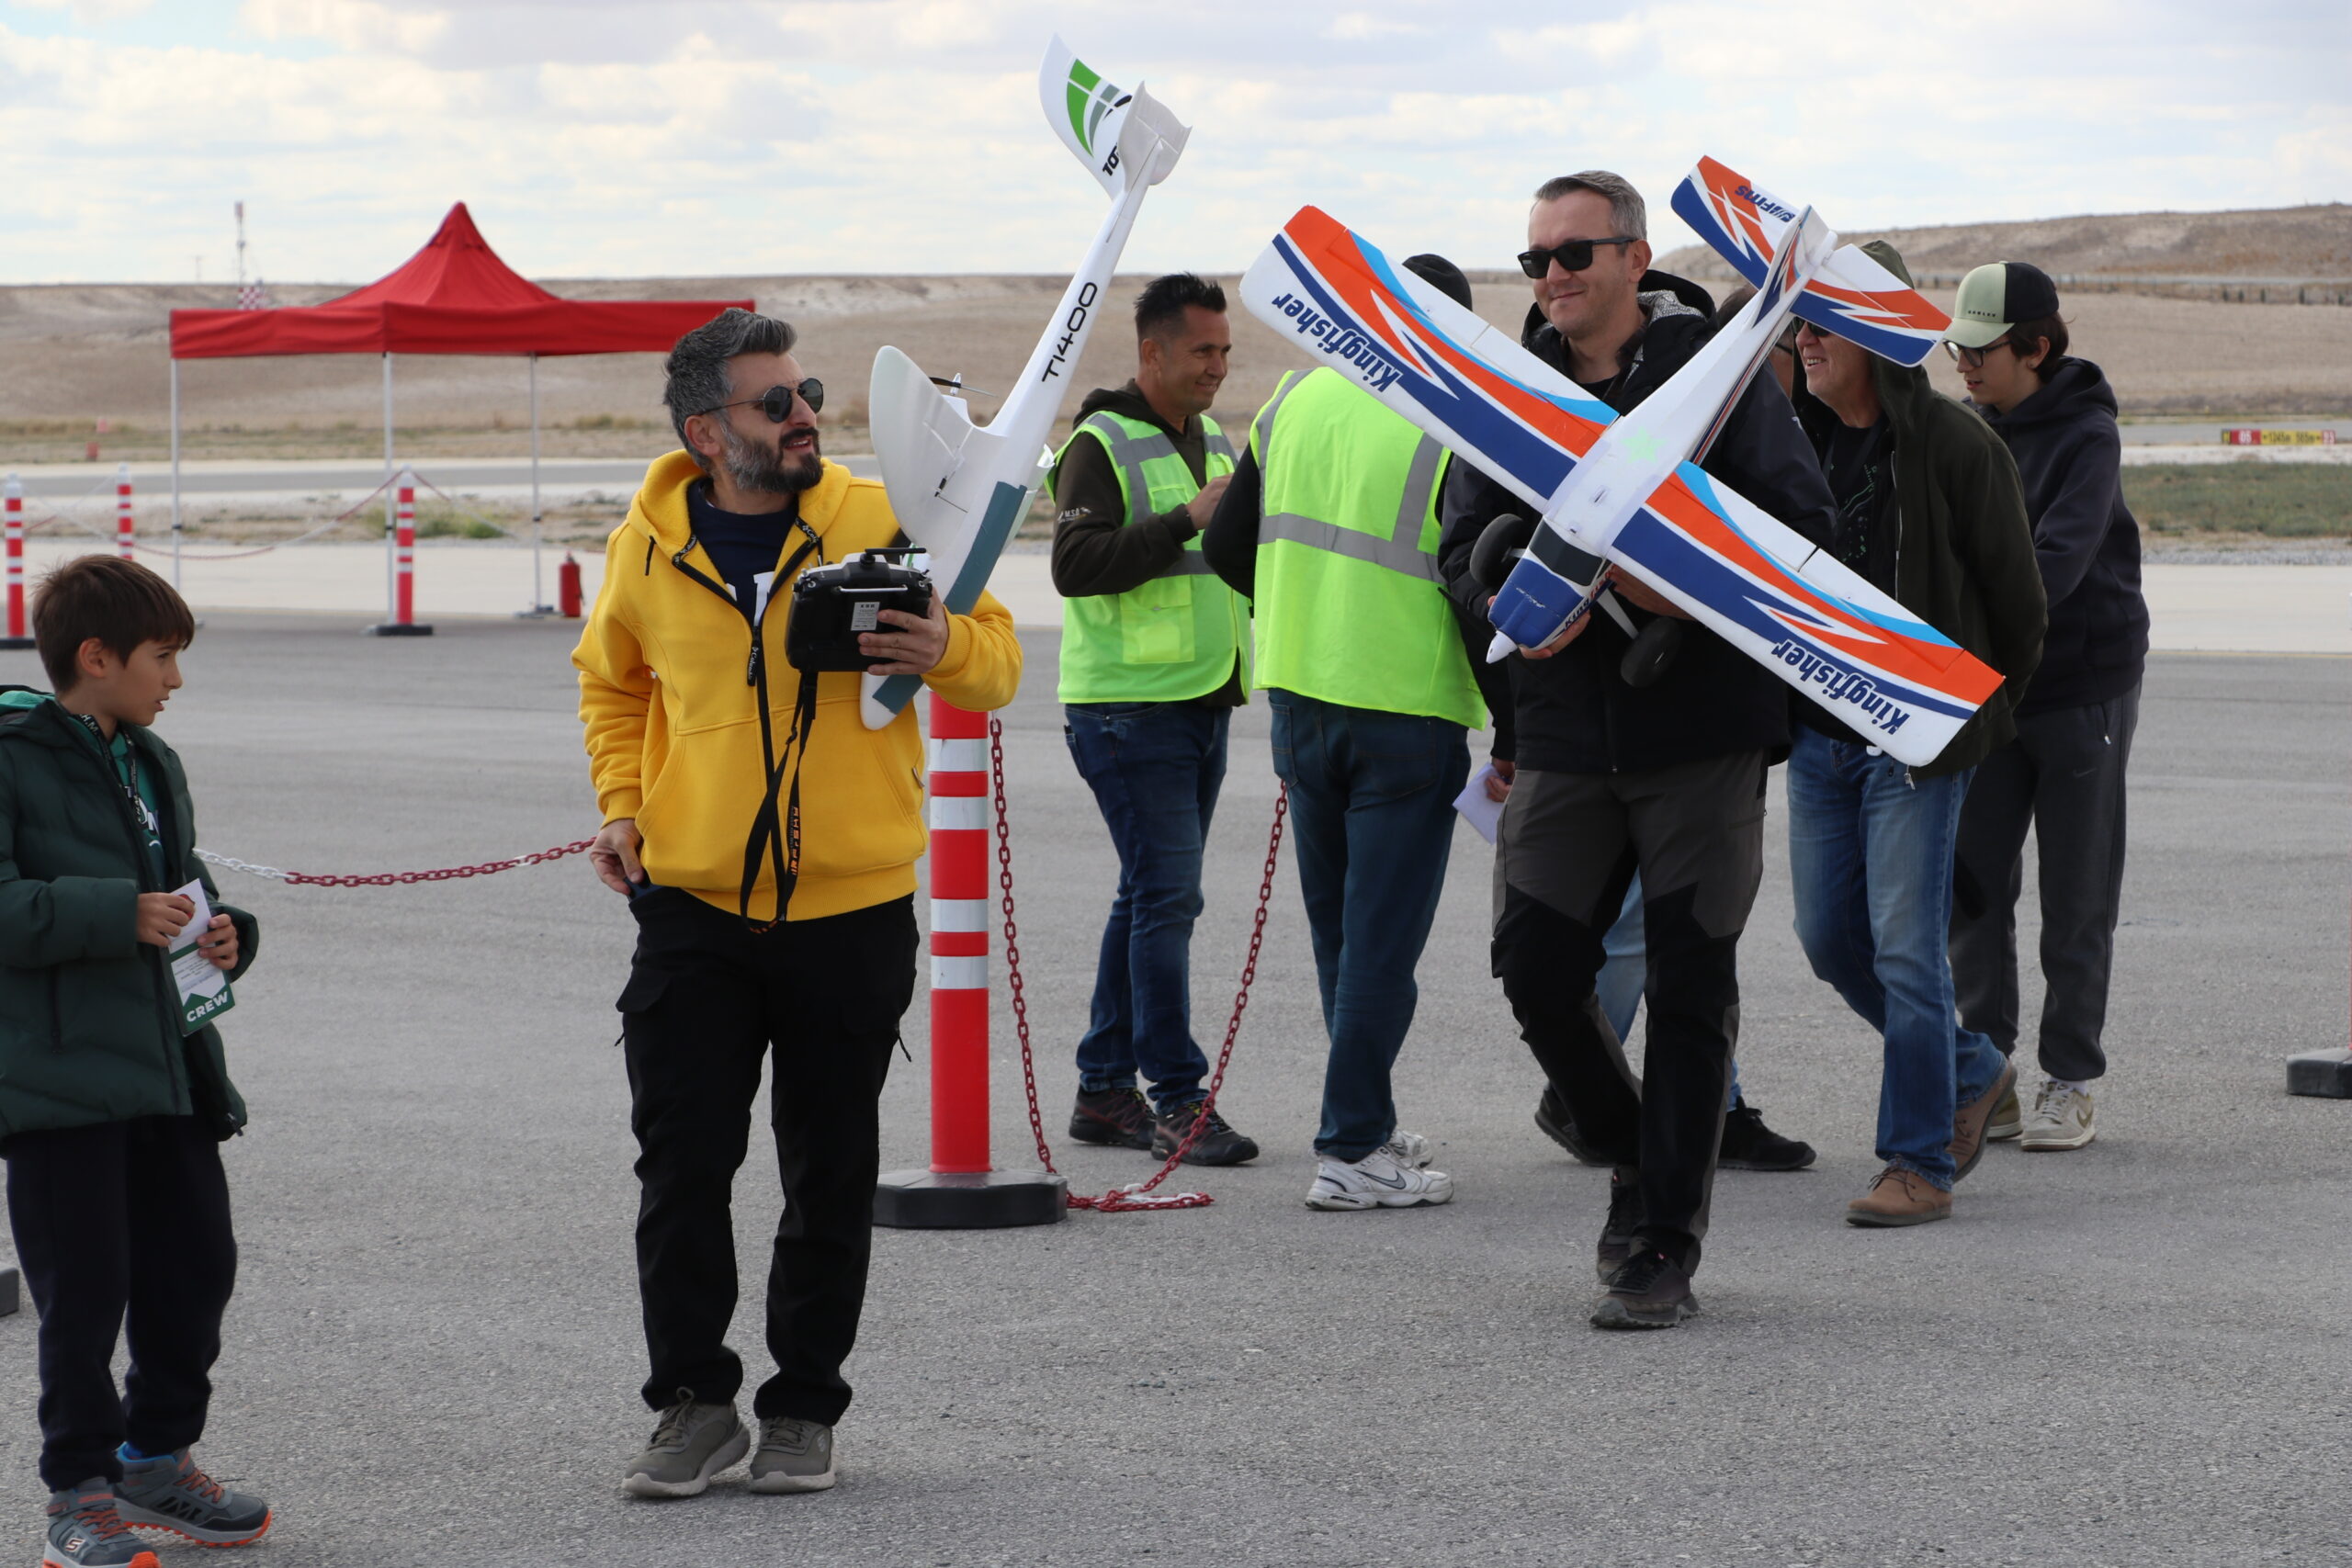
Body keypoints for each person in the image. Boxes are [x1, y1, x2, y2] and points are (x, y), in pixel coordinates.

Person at [574, 308, 1022, 1499]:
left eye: (809, 389)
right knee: (681, 1168)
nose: (808, 412)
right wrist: (620, 801)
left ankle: (804, 1406)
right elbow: (609, 684)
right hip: (693, 908)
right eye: (778, 401)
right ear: (708, 430)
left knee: (829, 1168)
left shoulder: (878, 517)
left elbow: (997, 651)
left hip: (851, 908)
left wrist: (944, 647)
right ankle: (693, 1400)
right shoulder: (647, 543)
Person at [1439, 171, 1838, 1329]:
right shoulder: (1510, 395)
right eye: (1535, 260)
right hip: (1561, 733)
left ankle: (1661, 1239)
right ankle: (1628, 1148)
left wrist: (1681, 587)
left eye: (1574, 254)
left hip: (1698, 732)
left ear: (1632, 257)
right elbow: (1458, 548)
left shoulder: (1714, 386)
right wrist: (1510, 588)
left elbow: (1801, 536)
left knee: (1691, 985)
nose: (1552, 277)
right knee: (1535, 969)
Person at [0, 555, 272, 1568]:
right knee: (85, 1294)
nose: (176, 679)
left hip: (169, 1065)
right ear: (97, 656)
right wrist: (115, 915)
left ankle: (156, 1458)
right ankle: (78, 1493)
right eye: (163, 658)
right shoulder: (10, 752)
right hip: (61, 1078)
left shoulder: (150, 758)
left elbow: (182, 882)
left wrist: (225, 929)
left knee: (196, 1266)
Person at [1200, 253, 1487, 1209]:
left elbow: (1225, 545)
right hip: (1405, 704)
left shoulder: (1294, 398)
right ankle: (1354, 1145)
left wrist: (1302, 610)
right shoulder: (1450, 418)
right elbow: (1478, 583)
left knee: (1339, 934)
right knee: (1381, 945)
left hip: (1299, 698)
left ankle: (1362, 1117)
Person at [1782, 243, 2046, 1227]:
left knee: (1904, 951)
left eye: (1821, 326)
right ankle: (1971, 1069)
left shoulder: (1955, 447)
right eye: (1799, 324)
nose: (1803, 342)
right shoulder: (1791, 443)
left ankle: (1916, 1161)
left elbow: (2020, 610)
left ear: (1870, 332)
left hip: (1913, 743)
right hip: (1817, 735)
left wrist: (1966, 723)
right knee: (1828, 940)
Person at [1049, 273, 1259, 1168]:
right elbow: (1075, 564)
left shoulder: (1207, 435)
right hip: (1128, 709)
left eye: (1223, 350)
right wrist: (1184, 517)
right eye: (1202, 350)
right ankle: (1175, 1096)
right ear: (1152, 352)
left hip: (1197, 696)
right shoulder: (1100, 442)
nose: (1217, 366)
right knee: (1167, 899)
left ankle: (1103, 1091)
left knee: (1149, 895)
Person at [1942, 262, 2149, 1152]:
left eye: (1980, 350)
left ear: (2034, 346)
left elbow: (2053, 568)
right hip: (1992, 694)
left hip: (2079, 690)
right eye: (1955, 348)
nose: (1963, 365)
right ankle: (1987, 1075)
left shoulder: (2087, 436)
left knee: (2076, 892)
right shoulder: (1969, 429)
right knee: (1976, 889)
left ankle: (2071, 1079)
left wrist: (1960, 613)